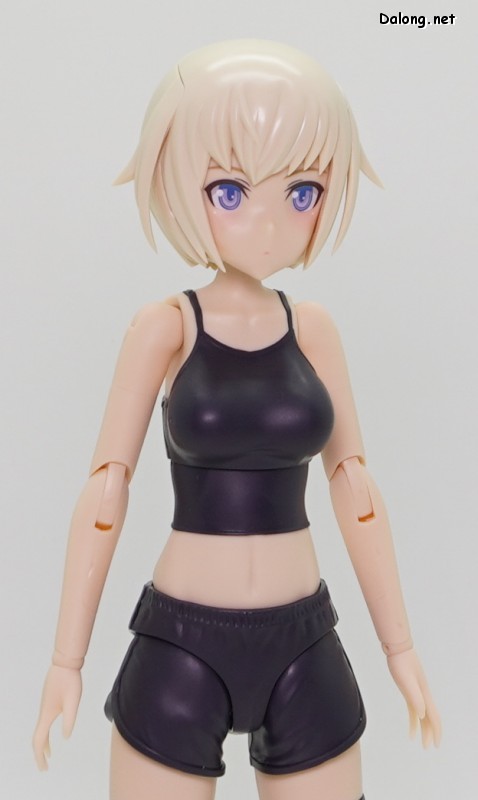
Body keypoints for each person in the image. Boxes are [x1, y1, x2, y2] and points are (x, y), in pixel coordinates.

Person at [33, 39, 441, 800]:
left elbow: (356, 488)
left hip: (304, 645)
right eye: (229, 191)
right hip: (181, 644)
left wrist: (401, 649)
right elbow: (105, 493)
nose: (267, 224)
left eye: (302, 193)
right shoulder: (166, 327)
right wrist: (66, 660)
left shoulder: (313, 329)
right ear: (178, 184)